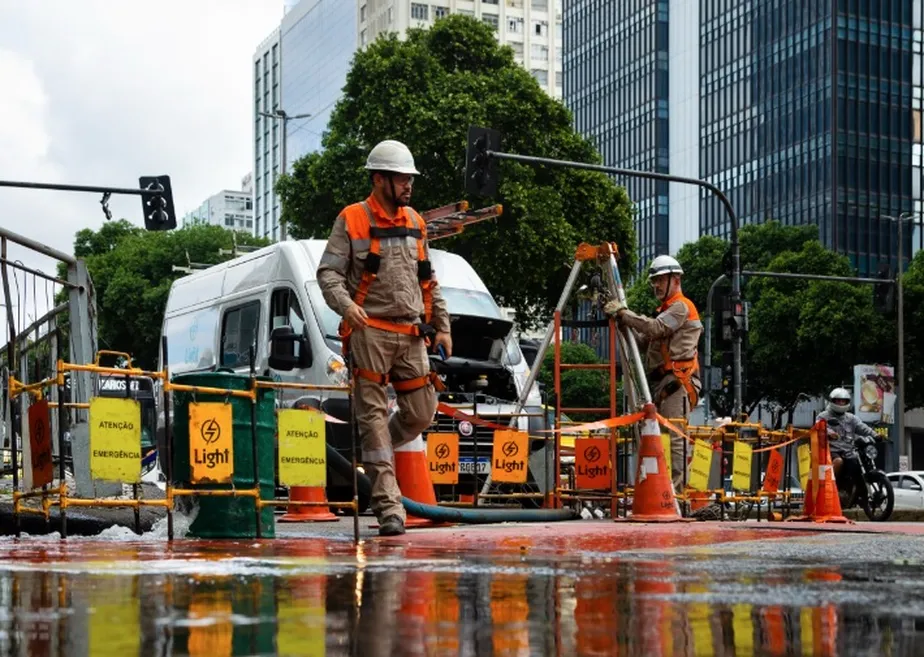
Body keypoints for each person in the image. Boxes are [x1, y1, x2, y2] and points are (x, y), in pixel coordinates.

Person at [316, 139, 453, 536]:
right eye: (401, 178)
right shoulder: (352, 219)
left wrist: (441, 324)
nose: (408, 185)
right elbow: (329, 273)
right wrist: (346, 307)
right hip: (369, 332)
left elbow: (428, 280)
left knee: (422, 412)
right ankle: (390, 509)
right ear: (379, 179)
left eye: (410, 178)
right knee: (373, 419)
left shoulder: (416, 222)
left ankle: (375, 452)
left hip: (410, 334)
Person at [604, 255, 702, 492]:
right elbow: (644, 340)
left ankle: (678, 493)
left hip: (677, 381)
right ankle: (661, 489)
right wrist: (622, 322)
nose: (656, 285)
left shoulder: (681, 307)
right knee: (659, 437)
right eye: (654, 281)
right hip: (662, 383)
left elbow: (655, 328)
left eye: (660, 279)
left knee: (675, 438)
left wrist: (624, 314)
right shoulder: (665, 311)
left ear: (675, 279)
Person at [817, 387, 878, 477]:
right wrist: (829, 433)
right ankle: (831, 486)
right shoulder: (823, 416)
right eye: (838, 401)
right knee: (838, 462)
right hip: (830, 451)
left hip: (848, 451)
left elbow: (862, 427)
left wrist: (875, 434)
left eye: (843, 401)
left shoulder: (851, 418)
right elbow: (818, 427)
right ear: (832, 401)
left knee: (859, 461)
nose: (841, 403)